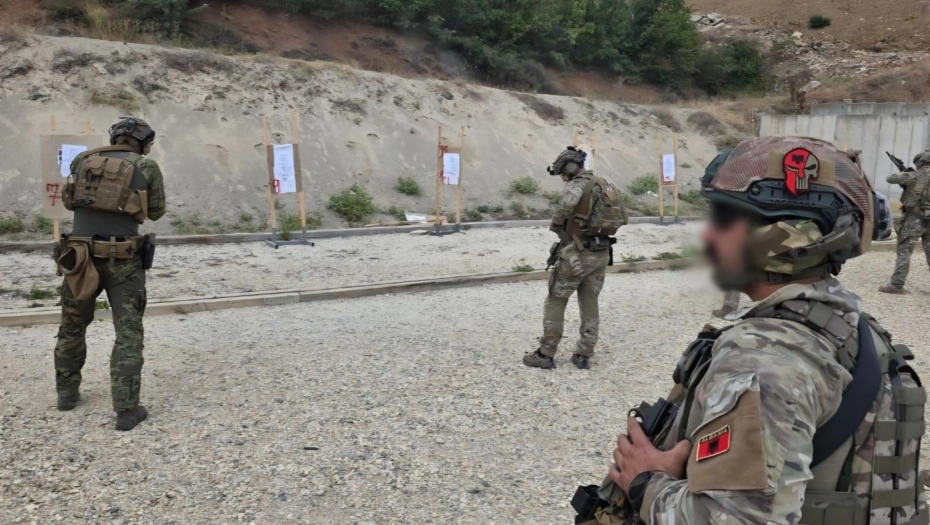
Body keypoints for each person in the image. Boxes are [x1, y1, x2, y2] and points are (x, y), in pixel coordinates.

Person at [577, 137, 926, 524]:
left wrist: (644, 482)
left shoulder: (764, 358)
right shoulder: (849, 326)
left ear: (786, 239)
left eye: (723, 220)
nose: (708, 236)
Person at [54, 118, 166, 431]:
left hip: (79, 258)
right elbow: (156, 211)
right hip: (124, 262)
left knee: (72, 327)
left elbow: (70, 202)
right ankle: (127, 411)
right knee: (128, 334)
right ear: (143, 143)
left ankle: (66, 395)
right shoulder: (146, 166)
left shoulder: (81, 160)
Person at [523, 147, 628, 370]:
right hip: (601, 252)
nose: (562, 176)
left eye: (562, 171)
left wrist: (556, 223)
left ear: (570, 168)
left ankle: (545, 353)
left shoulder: (576, 185)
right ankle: (584, 354)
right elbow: (623, 216)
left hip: (577, 253)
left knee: (556, 299)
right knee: (590, 302)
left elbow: (565, 206)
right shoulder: (606, 184)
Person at [879, 149, 930, 294]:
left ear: (920, 162)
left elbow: (890, 178)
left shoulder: (912, 176)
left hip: (914, 219)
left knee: (905, 252)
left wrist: (905, 173)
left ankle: (896, 285)